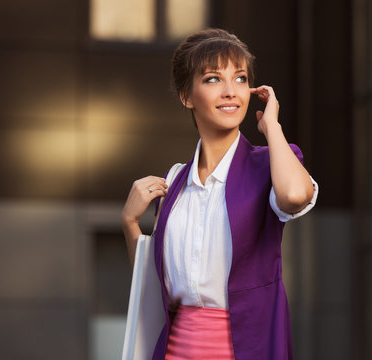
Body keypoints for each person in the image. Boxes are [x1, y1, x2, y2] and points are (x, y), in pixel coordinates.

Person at [120, 28, 318, 360]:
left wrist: (272, 128)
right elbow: (156, 292)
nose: (230, 92)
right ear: (187, 95)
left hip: (246, 349)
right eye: (213, 79)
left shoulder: (270, 163)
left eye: (240, 79)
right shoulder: (175, 181)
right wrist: (130, 224)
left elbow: (295, 196)